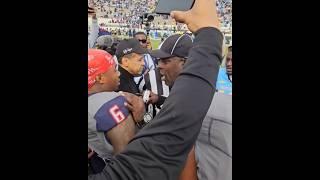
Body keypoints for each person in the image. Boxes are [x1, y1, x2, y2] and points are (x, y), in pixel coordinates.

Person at [88, 0, 223, 179]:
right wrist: (209, 33)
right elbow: (155, 151)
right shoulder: (116, 100)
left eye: (165, 61)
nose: (158, 66)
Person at [88, 49, 145, 174]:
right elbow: (129, 161)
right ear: (100, 77)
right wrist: (140, 120)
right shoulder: (112, 102)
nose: (119, 74)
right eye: (114, 69)